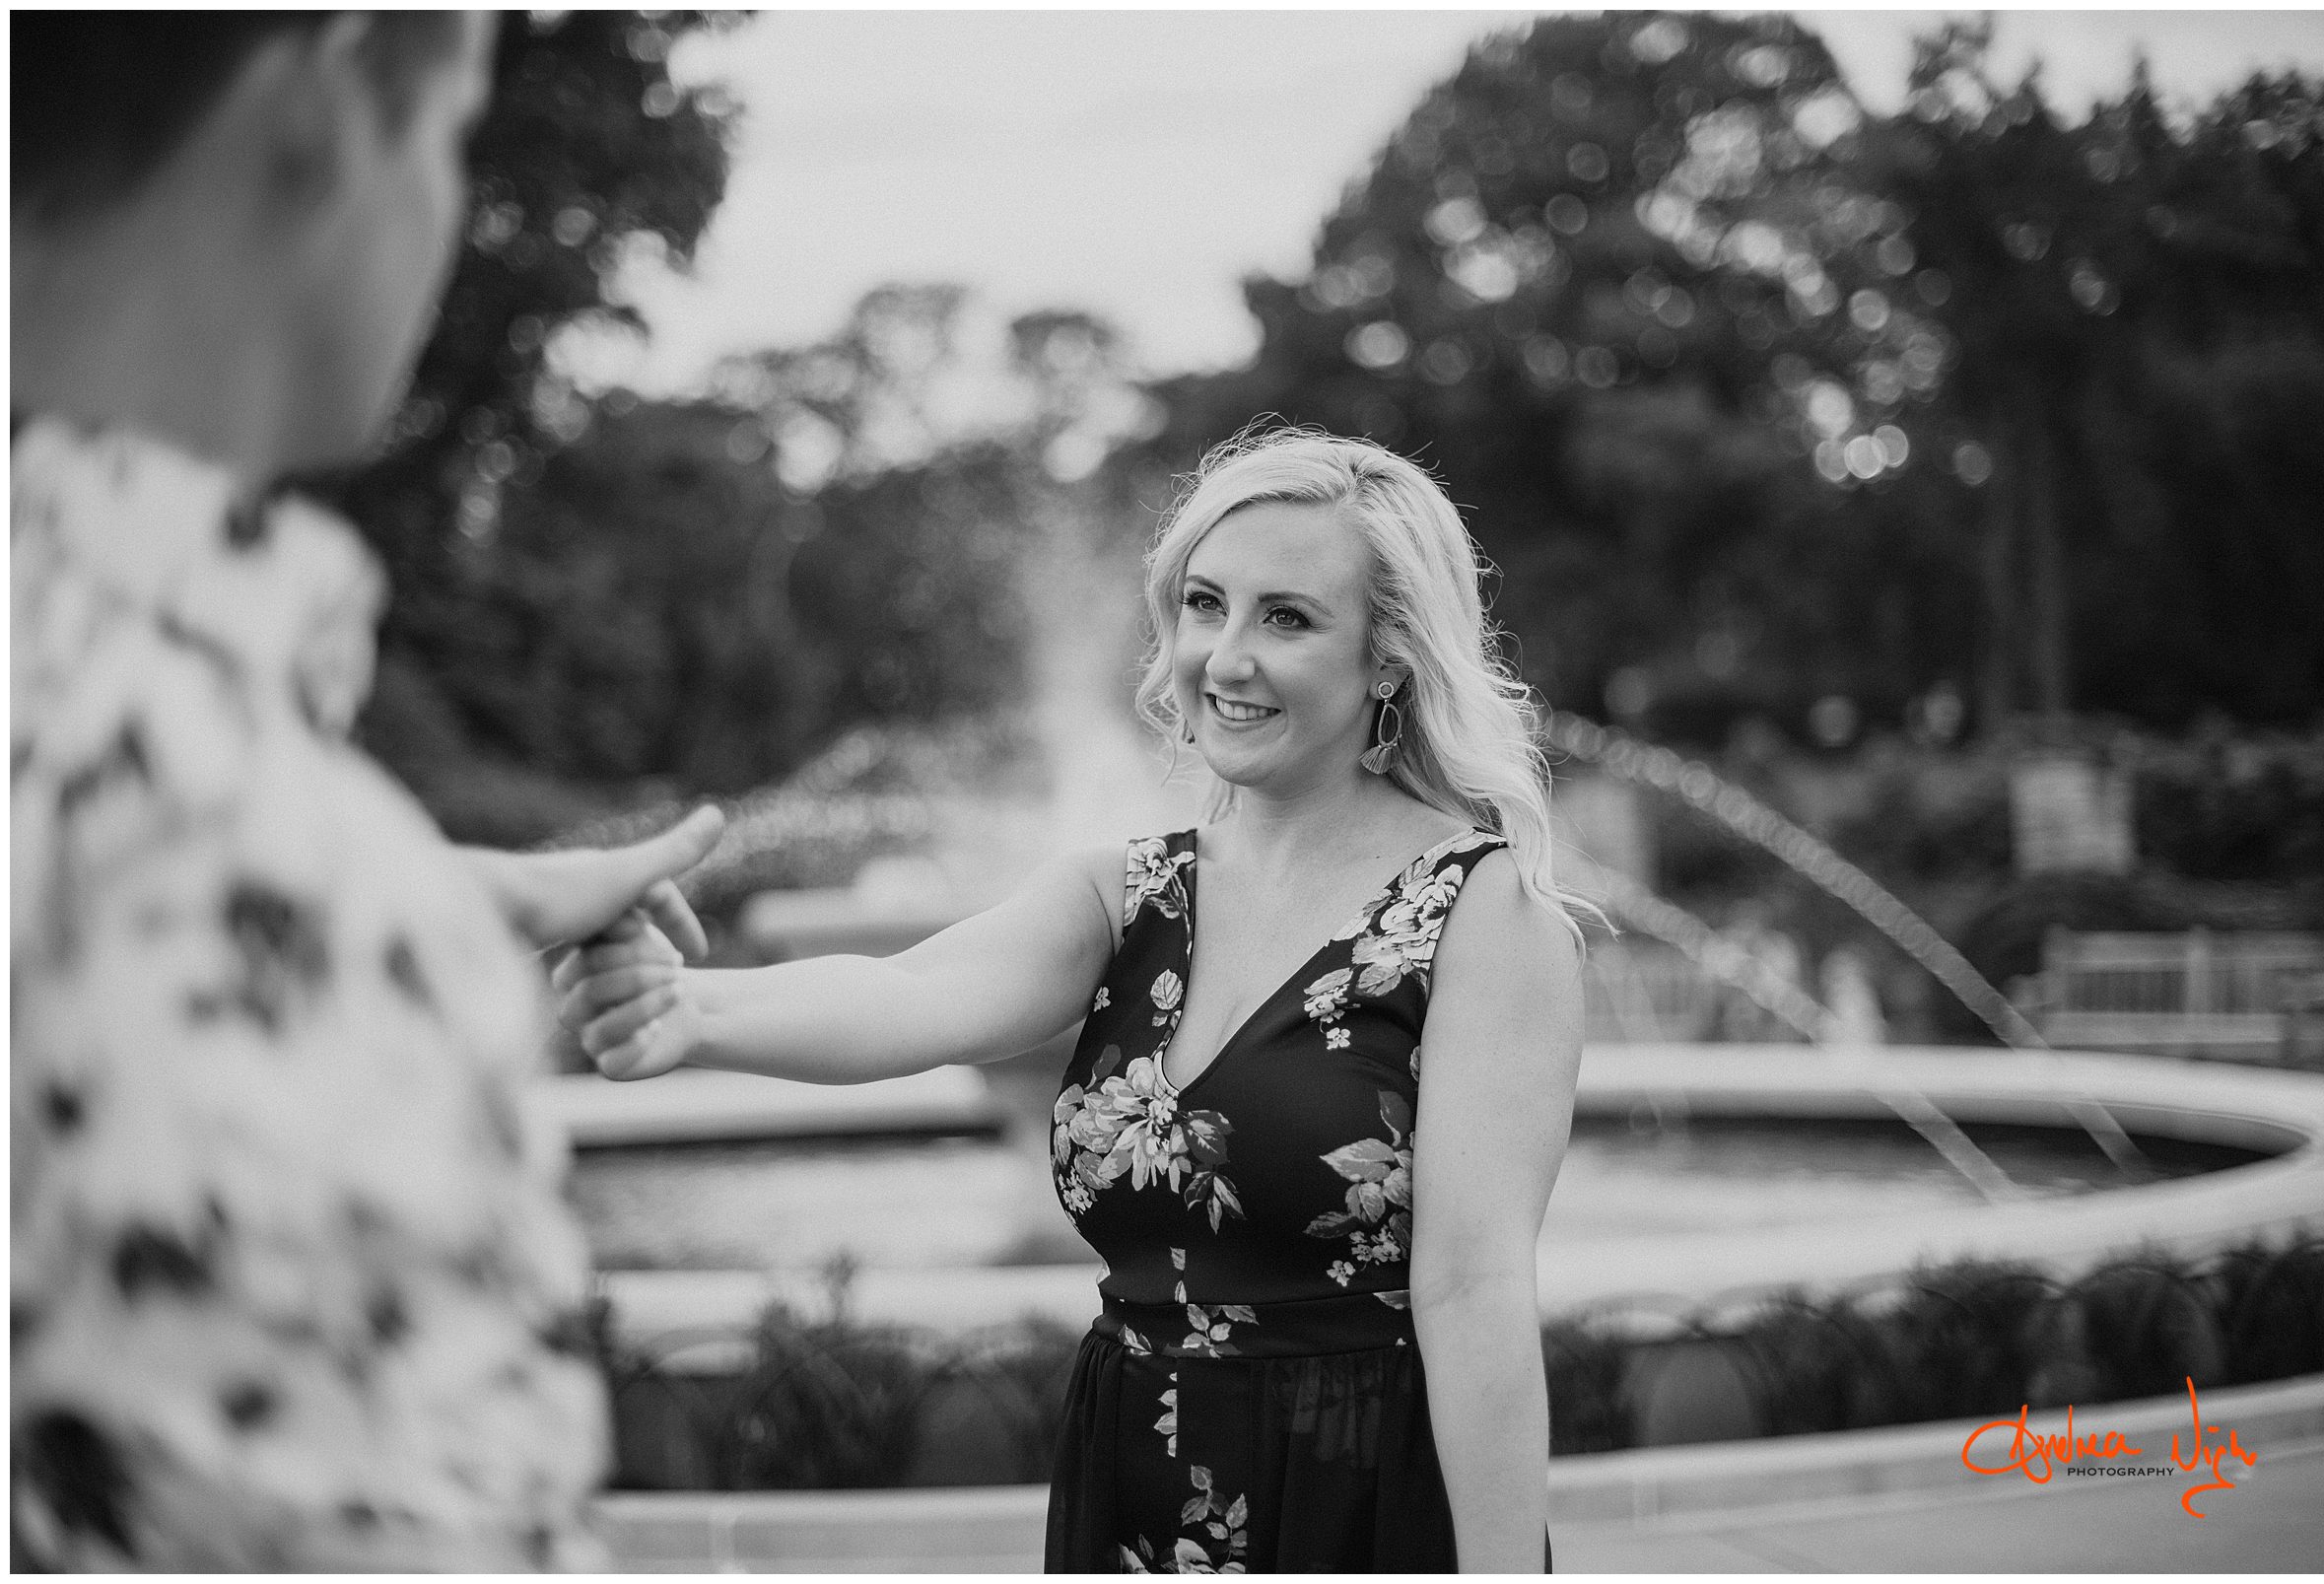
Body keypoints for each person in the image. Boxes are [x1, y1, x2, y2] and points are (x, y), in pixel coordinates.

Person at [560, 429, 1593, 1571]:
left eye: (1288, 618)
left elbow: (1472, 1290)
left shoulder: (1481, 916)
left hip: (1357, 1498)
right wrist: (687, 1009)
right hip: (1130, 1490)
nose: (1226, 657)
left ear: (1388, 657)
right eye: (1206, 604)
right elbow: (906, 992)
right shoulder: (1126, 894)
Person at [12, 14, 723, 1568]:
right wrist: (391, 916)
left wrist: (473, 890)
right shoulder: (250, 865)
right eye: (455, 131)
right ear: (327, 103)